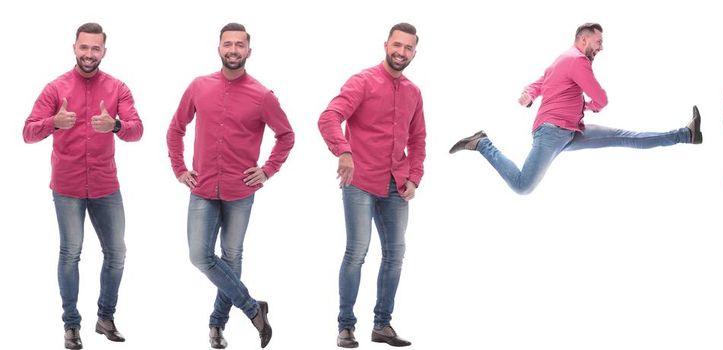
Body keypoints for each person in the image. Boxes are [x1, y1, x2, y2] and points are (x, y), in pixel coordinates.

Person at [448, 23, 702, 195]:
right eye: (598, 41)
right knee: (522, 186)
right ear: (583, 39)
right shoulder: (578, 60)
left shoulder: (564, 58)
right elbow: (601, 97)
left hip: (569, 131)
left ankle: (686, 134)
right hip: (553, 132)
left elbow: (541, 81)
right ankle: (482, 143)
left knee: (628, 138)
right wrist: (592, 105)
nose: (601, 47)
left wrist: (529, 94)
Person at [167, 23, 292, 349]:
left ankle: (216, 325)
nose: (233, 50)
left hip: (240, 191)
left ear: (249, 51)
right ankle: (254, 309)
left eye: (239, 45)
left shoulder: (263, 96)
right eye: (228, 44)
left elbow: (286, 136)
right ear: (219, 48)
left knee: (232, 257)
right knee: (200, 256)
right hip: (203, 189)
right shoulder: (199, 86)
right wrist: (180, 169)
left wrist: (267, 171)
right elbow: (175, 129)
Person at [23, 22, 144, 350]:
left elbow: (136, 130)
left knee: (117, 254)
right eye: (84, 47)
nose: (89, 54)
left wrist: (116, 125)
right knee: (70, 253)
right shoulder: (54, 88)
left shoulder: (118, 88)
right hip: (67, 187)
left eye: (96, 48)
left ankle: (105, 318)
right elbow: (28, 132)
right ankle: (71, 326)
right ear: (74, 48)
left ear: (104, 51)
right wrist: (54, 123)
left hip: (106, 186)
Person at [318, 22, 426, 348]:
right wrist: (344, 151)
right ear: (386, 45)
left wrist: (414, 177)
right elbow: (328, 117)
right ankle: (346, 326)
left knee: (395, 255)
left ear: (414, 52)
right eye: (397, 45)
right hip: (360, 181)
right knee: (357, 252)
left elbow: (418, 139)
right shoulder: (362, 82)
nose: (401, 52)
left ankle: (382, 326)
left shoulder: (413, 92)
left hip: (396, 184)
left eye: (408, 48)